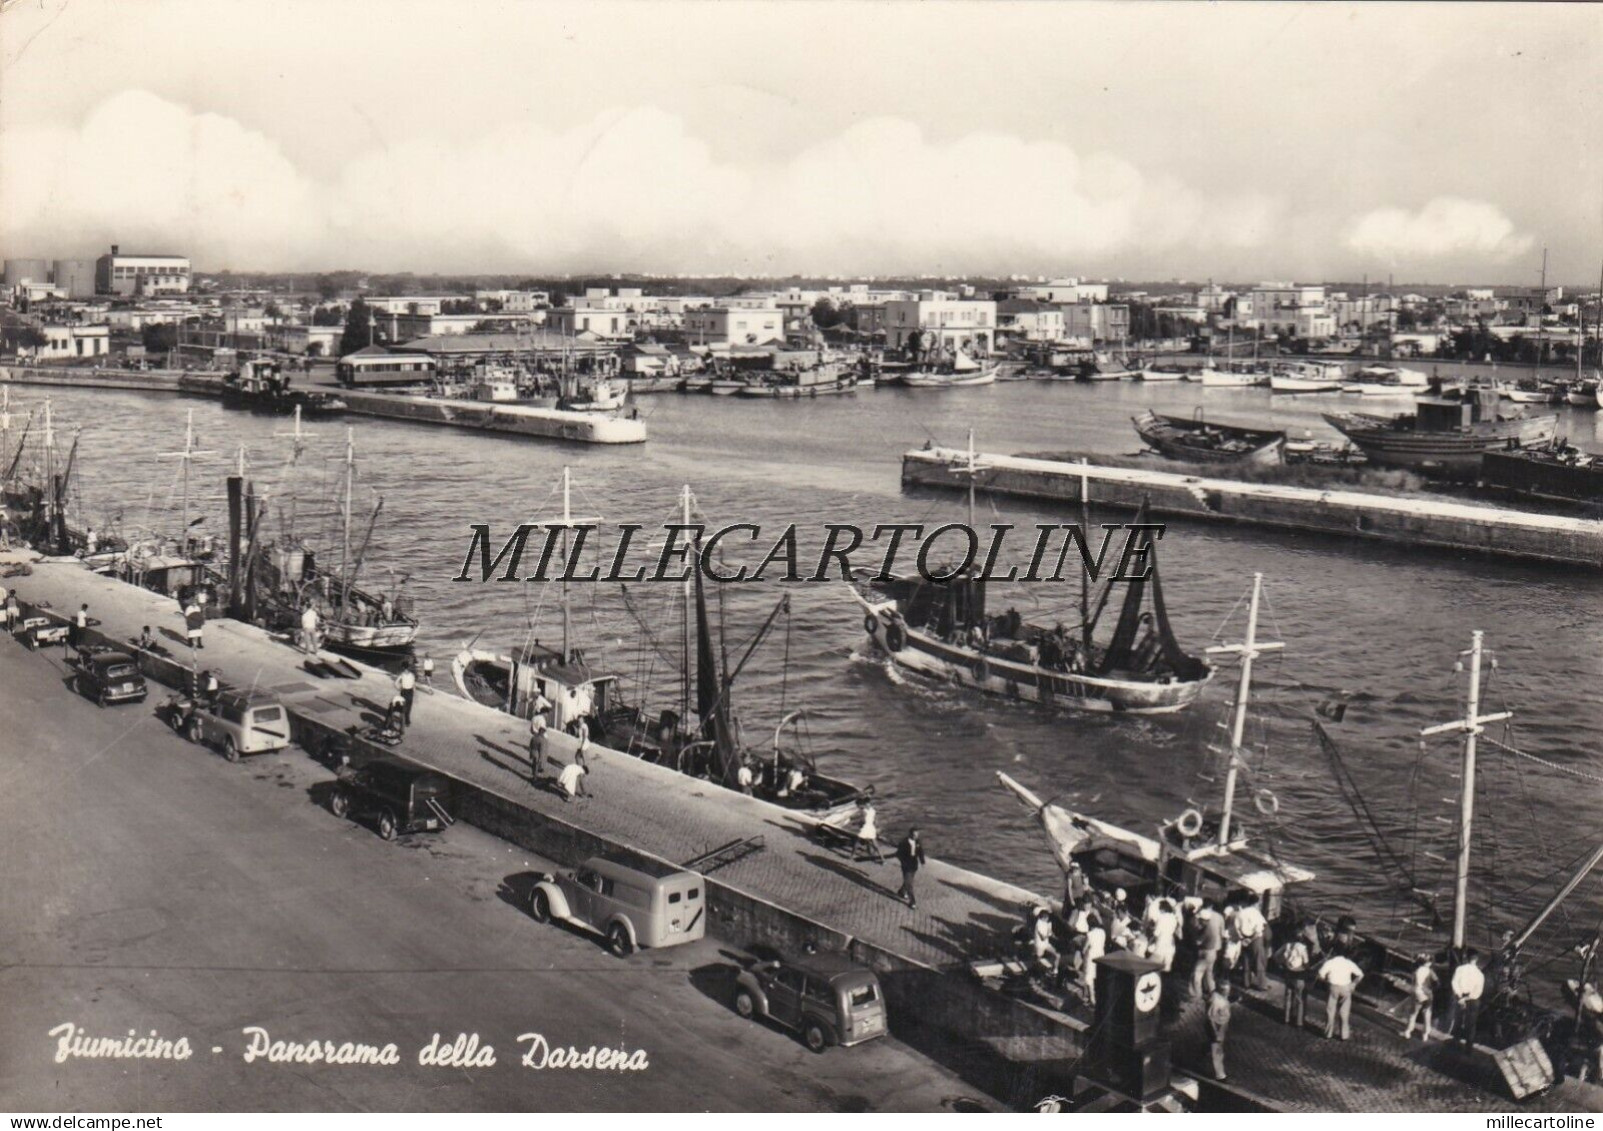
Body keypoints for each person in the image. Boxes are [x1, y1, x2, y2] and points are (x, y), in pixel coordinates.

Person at [1318, 951, 1364, 1040]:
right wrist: (1354, 984)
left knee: (1330, 1010)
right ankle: (1344, 1035)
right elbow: (1360, 974)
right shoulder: (1348, 963)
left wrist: (1325, 981)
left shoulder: (1330, 962)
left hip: (1333, 987)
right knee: (1344, 1012)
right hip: (1346, 987)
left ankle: (1328, 1033)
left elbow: (1320, 975)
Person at [1448, 950, 1485, 1050]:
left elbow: (1454, 982)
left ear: (1466, 957)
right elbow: (1478, 992)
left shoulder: (1460, 969)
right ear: (1476, 959)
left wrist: (1460, 997)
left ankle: (1455, 1044)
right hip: (1472, 1000)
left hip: (1460, 997)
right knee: (1471, 1024)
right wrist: (1467, 998)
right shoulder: (1480, 974)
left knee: (1458, 1021)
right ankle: (1468, 1048)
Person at [1235, 894, 1269, 992]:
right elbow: (1259, 929)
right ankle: (1261, 984)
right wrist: (1251, 939)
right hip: (1255, 939)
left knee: (1246, 960)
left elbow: (1237, 927)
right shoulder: (1256, 913)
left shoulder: (1240, 913)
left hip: (1244, 938)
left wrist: (1243, 938)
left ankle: (1246, 982)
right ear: (1256, 903)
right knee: (1259, 961)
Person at [1279, 931, 1312, 1029]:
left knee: (1288, 996)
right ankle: (1299, 1022)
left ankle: (1286, 1018)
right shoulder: (1302, 948)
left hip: (1288, 974)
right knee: (1300, 999)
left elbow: (1276, 956)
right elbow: (1306, 963)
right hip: (1299, 976)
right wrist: (1308, 969)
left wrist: (1283, 965)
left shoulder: (1287, 945)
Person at [1402, 952, 1439, 1041]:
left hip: (1417, 993)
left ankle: (1408, 1031)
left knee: (1413, 1013)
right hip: (1428, 994)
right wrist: (1431, 988)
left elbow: (1413, 982)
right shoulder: (1430, 972)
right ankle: (1425, 1034)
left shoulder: (1416, 971)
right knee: (1427, 1013)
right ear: (1428, 963)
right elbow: (1437, 983)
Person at [1191, 901, 1224, 998]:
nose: (1199, 921)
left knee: (1197, 974)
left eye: (1201, 920)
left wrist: (1196, 936)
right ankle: (1212, 993)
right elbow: (1222, 932)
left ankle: (1197, 994)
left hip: (1206, 953)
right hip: (1213, 951)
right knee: (1209, 974)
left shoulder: (1207, 930)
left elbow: (1198, 942)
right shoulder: (1215, 922)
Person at [1147, 896, 1180, 973]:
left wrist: (1149, 942)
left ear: (1163, 909)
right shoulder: (1174, 918)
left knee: (1151, 965)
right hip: (1170, 943)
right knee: (1164, 967)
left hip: (1161, 943)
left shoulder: (1161, 918)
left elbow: (1156, 933)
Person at [895, 827, 926, 908]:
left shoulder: (918, 842)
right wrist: (903, 862)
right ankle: (912, 902)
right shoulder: (903, 842)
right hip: (906, 865)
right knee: (909, 884)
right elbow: (899, 854)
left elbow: (920, 852)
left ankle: (901, 892)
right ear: (910, 834)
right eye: (914, 835)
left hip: (914, 865)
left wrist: (922, 862)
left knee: (909, 880)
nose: (916, 837)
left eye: (917, 835)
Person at [1206, 986, 1232, 1081]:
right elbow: (1211, 1019)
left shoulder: (1221, 998)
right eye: (1227, 991)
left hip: (1222, 1025)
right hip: (1217, 1026)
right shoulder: (1216, 1001)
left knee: (1218, 1047)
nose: (1228, 993)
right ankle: (1220, 1075)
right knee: (1217, 1050)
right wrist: (1215, 1033)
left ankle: (1206, 1050)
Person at [853, 798, 884, 864]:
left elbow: (863, 820)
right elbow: (875, 820)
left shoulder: (864, 811)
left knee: (857, 841)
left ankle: (851, 856)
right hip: (871, 827)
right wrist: (877, 827)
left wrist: (857, 824)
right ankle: (882, 858)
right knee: (874, 843)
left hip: (866, 827)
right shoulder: (873, 810)